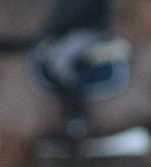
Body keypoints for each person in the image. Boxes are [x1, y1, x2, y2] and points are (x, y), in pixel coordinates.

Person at [34, 0, 113, 139]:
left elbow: (74, 12)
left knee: (60, 64)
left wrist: (51, 29)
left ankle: (77, 116)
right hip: (69, 34)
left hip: (89, 31)